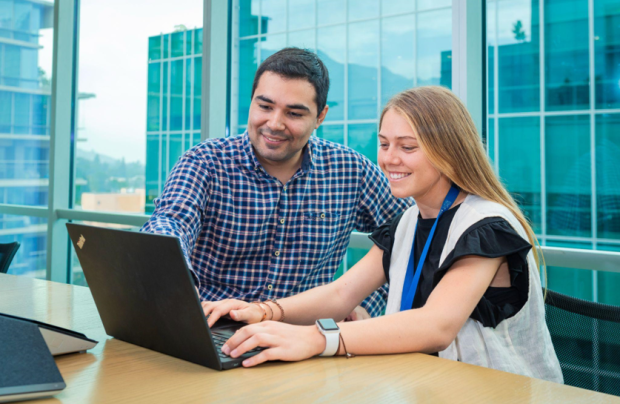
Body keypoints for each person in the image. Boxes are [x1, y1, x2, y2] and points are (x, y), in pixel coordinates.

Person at [202, 86, 564, 383]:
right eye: (384, 143)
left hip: (496, 392)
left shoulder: (486, 225)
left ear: (449, 153)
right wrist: (262, 312)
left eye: (408, 147)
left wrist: (316, 338)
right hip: (424, 384)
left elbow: (436, 325)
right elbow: (341, 294)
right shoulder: (408, 221)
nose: (390, 159)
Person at [141, 47, 411, 319]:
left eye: (294, 114)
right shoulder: (204, 162)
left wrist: (368, 305)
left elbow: (415, 232)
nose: (274, 123)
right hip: (216, 328)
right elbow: (171, 222)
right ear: (251, 102)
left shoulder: (351, 171)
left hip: (307, 339)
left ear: (320, 117)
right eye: (265, 106)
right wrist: (174, 279)